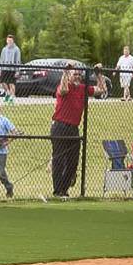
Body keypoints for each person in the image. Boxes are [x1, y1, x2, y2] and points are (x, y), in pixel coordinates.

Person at [50, 63, 99, 197]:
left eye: (79, 74)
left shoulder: (83, 88)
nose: (77, 77)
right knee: (59, 160)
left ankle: (64, 189)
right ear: (69, 76)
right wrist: (65, 72)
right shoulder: (64, 86)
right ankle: (57, 191)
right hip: (60, 126)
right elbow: (63, 90)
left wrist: (99, 74)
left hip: (73, 128)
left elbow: (101, 90)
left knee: (73, 161)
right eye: (74, 74)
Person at [0, 35, 21, 103]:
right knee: (2, 82)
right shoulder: (4, 49)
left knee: (11, 83)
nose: (9, 41)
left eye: (11, 40)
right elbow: (1, 59)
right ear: (6, 41)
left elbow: (18, 60)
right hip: (4, 68)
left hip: (12, 69)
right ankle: (7, 93)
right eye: (8, 40)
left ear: (13, 41)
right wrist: (0, 69)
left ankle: (12, 97)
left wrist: (17, 71)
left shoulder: (16, 49)